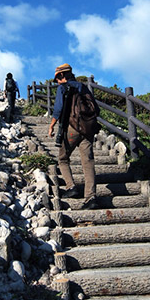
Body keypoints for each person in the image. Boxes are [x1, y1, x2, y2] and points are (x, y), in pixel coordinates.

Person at [48, 63, 97, 209]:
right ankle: (91, 197)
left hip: (72, 129)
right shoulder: (83, 87)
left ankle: (71, 187)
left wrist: (51, 126)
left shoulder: (63, 88)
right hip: (87, 129)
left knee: (62, 159)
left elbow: (58, 109)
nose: (56, 81)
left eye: (57, 78)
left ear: (62, 75)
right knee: (88, 162)